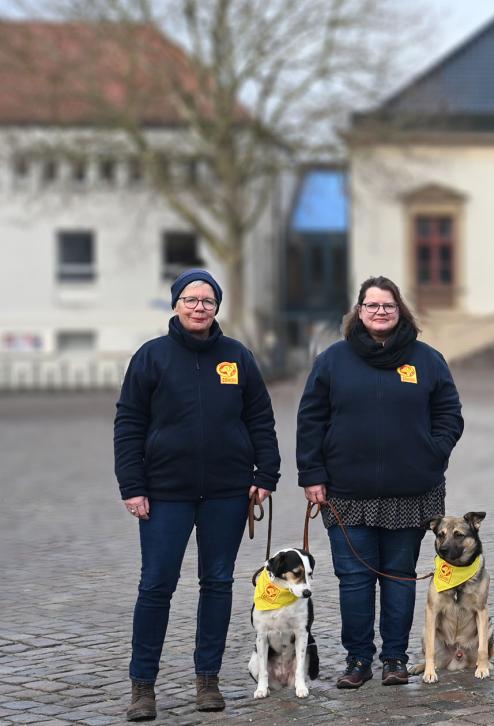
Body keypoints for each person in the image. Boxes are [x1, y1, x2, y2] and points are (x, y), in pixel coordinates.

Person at [115, 269, 280, 720]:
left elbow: (260, 420)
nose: (199, 307)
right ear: (176, 304)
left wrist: (266, 473)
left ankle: (207, 680)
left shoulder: (237, 358)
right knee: (156, 586)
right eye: (190, 299)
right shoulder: (151, 358)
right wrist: (132, 486)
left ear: (217, 308)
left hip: (227, 493)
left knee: (218, 583)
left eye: (207, 301)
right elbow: (128, 424)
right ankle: (142, 687)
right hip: (164, 494)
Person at [297, 276, 464, 690]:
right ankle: (357, 660)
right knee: (354, 581)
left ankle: (395, 658)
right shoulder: (333, 360)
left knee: (399, 577)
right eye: (372, 306)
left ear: (399, 310)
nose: (380, 312)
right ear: (359, 311)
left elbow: (449, 414)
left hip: (411, 493)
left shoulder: (427, 360)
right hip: (346, 494)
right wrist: (312, 474)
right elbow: (311, 419)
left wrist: (431, 450)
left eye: (388, 305)